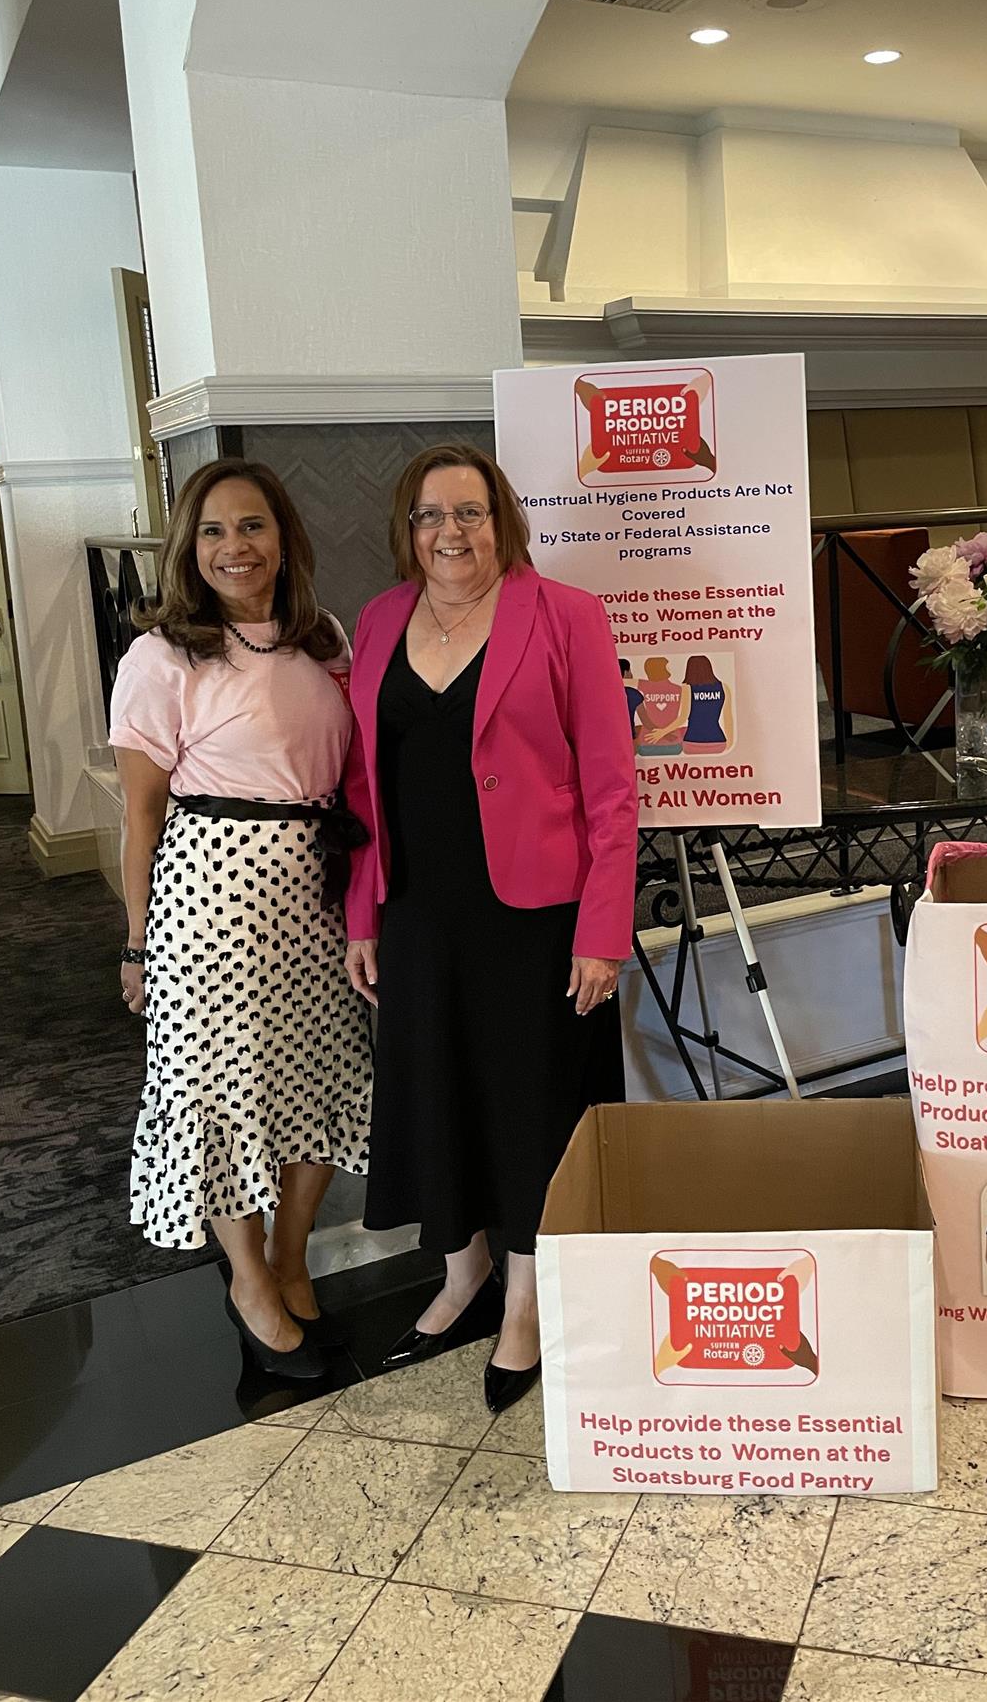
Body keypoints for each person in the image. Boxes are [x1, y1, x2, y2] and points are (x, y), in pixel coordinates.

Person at [342, 443, 637, 1414]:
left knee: (528, 1106)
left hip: (536, 916)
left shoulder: (565, 614)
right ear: (409, 529)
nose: (450, 532)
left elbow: (611, 787)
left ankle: (524, 1302)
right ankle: (462, 1271)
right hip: (417, 911)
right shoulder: (380, 620)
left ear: (501, 520)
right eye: (430, 515)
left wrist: (602, 931)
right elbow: (361, 788)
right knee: (435, 1092)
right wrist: (363, 911)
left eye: (469, 512)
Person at [109, 460, 372, 1381]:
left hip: (318, 890)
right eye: (214, 531)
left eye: (252, 526)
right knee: (224, 1095)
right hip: (212, 897)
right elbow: (142, 816)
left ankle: (291, 1256)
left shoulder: (322, 637)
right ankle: (250, 1282)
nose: (235, 547)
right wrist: (137, 946)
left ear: (283, 539)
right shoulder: (163, 656)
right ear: (189, 548)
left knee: (322, 1077)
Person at [635, 656, 688, 754]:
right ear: (663, 668)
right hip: (674, 745)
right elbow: (682, 718)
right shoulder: (679, 689)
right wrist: (663, 732)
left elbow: (621, 681)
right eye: (667, 666)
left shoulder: (643, 684)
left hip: (646, 745)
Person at [681, 653, 731, 754]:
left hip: (692, 741)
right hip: (719, 742)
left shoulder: (687, 688)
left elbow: (683, 717)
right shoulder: (723, 687)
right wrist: (730, 742)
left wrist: (662, 732)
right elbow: (728, 717)